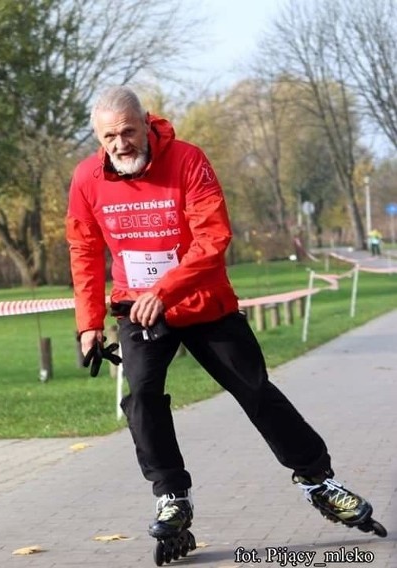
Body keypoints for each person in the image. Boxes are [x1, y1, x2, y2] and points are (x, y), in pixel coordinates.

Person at [66, 85, 381, 541]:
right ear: (98, 138)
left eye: (128, 132)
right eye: (109, 137)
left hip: (203, 303)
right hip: (138, 309)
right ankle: (172, 495)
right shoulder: (86, 179)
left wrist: (167, 288)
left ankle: (318, 480)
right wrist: (89, 324)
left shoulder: (189, 161)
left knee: (254, 390)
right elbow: (84, 249)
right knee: (142, 397)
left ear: (146, 121)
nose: (120, 144)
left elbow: (213, 236)